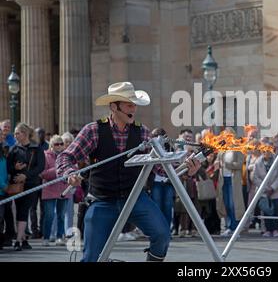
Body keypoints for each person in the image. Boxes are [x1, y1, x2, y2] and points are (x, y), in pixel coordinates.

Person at [56, 82, 200, 262]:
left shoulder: (143, 133)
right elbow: (65, 157)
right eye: (129, 104)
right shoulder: (93, 131)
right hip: (102, 200)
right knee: (91, 257)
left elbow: (162, 170)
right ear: (113, 107)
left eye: (134, 104)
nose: (134, 109)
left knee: (162, 235)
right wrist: (70, 172)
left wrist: (187, 169)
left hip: (135, 198)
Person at [7, 123, 45, 251]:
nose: (15, 135)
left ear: (25, 134)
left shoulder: (36, 148)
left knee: (23, 210)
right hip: (16, 184)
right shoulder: (13, 149)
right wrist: (15, 169)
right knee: (19, 211)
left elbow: (40, 167)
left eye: (17, 133)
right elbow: (8, 168)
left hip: (31, 184)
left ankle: (18, 240)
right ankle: (22, 239)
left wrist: (26, 176)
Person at [40, 135, 70, 246]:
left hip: (63, 189)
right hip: (49, 189)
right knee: (49, 215)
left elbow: (73, 168)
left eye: (61, 143)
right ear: (51, 145)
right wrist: (57, 169)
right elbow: (42, 173)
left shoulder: (67, 156)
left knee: (61, 215)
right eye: (57, 144)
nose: (60, 146)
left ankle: (59, 237)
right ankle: (46, 237)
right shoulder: (45, 156)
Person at [216, 128, 246, 237]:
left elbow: (240, 164)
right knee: (226, 204)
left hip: (233, 180)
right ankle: (229, 226)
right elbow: (218, 160)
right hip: (223, 179)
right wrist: (217, 163)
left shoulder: (238, 148)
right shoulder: (222, 148)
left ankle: (235, 228)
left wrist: (227, 164)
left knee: (234, 204)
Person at [253, 141, 278, 238]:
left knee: (275, 210)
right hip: (263, 191)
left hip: (276, 191)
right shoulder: (258, 162)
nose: (267, 152)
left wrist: (273, 187)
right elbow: (255, 177)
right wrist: (265, 188)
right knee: (265, 210)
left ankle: (275, 229)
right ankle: (267, 229)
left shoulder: (277, 160)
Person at [0, 131, 8, 250]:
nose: (3, 136)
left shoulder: (2, 151)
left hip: (3, 191)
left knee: (1, 218)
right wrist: (3, 184)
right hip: (2, 187)